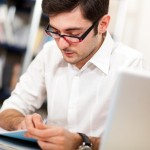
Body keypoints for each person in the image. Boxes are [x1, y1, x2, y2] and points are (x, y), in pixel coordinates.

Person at [0, 0, 146, 149]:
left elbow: (133, 143)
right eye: (55, 31)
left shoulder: (130, 64)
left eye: (74, 34)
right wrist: (21, 122)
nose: (61, 45)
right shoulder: (49, 52)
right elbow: (8, 111)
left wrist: (81, 142)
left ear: (103, 24)